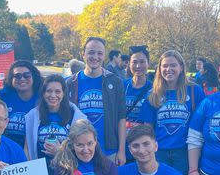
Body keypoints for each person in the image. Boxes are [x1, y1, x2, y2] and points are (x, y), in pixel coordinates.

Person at [139, 50, 205, 175]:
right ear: (159, 69)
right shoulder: (154, 94)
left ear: (182, 67)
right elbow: (146, 128)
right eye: (164, 66)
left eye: (173, 65)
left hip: (184, 153)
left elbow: (201, 123)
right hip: (159, 154)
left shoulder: (193, 91)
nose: (168, 69)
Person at [66, 37, 126, 165]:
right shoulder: (70, 83)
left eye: (99, 53)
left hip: (108, 150)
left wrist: (121, 150)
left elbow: (121, 118)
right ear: (83, 55)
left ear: (104, 56)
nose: (95, 57)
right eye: (91, 52)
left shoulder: (115, 82)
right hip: (79, 150)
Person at [24, 75, 86, 168]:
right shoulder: (33, 116)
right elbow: (27, 148)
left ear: (63, 93)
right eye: (49, 91)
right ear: (43, 93)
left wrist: (59, 152)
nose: (53, 95)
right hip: (40, 171)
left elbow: (83, 149)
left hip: (67, 170)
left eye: (57, 91)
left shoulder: (76, 116)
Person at [1, 60, 41, 147]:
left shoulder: (42, 98)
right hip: (8, 147)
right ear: (11, 79)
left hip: (34, 149)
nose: (22, 79)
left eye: (27, 75)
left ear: (33, 76)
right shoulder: (3, 96)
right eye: (17, 76)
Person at [123, 45, 152, 135]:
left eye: (142, 62)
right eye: (134, 62)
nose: (138, 66)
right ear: (129, 64)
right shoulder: (122, 85)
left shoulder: (154, 88)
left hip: (142, 138)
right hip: (122, 137)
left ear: (148, 63)